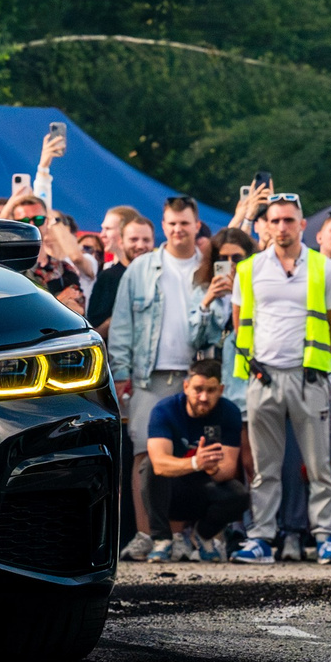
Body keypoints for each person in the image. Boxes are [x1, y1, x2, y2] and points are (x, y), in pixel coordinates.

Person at [229, 192, 331, 565]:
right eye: (274, 220)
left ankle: (326, 535)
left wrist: (315, 363)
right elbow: (239, 323)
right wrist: (257, 364)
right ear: (266, 226)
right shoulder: (249, 269)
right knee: (265, 467)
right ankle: (262, 537)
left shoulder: (323, 267)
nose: (281, 227)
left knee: (318, 464)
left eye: (288, 220)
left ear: (301, 224)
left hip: (307, 376)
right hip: (263, 376)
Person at [110, 196, 225, 558]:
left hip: (196, 375)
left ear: (196, 225)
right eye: (172, 223)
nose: (178, 230)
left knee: (189, 456)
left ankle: (177, 537)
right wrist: (120, 373)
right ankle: (147, 533)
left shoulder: (209, 270)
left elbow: (216, 330)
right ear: (164, 225)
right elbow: (123, 325)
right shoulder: (141, 268)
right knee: (145, 456)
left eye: (185, 223)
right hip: (149, 376)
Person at [142, 361, 250, 562]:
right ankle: (162, 540)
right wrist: (195, 463)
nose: (203, 397)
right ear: (185, 387)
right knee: (148, 466)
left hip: (204, 489)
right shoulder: (165, 410)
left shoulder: (229, 412)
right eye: (198, 389)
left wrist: (210, 468)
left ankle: (203, 536)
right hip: (170, 491)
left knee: (240, 495)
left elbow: (227, 470)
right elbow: (159, 462)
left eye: (211, 391)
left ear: (221, 390)